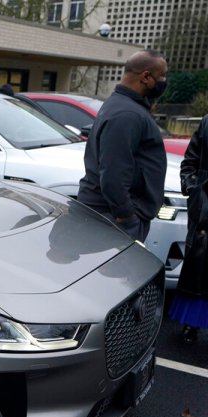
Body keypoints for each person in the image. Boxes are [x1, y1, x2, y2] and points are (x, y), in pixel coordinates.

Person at [77, 49, 169, 242]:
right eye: (162, 76)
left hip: (116, 215)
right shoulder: (127, 114)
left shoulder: (124, 105)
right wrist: (127, 217)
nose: (164, 81)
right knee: (121, 272)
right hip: (117, 219)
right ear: (146, 77)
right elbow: (114, 173)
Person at [169, 114, 208, 343]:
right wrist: (193, 187)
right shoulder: (207, 122)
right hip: (205, 208)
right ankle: (191, 324)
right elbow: (190, 161)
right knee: (199, 269)